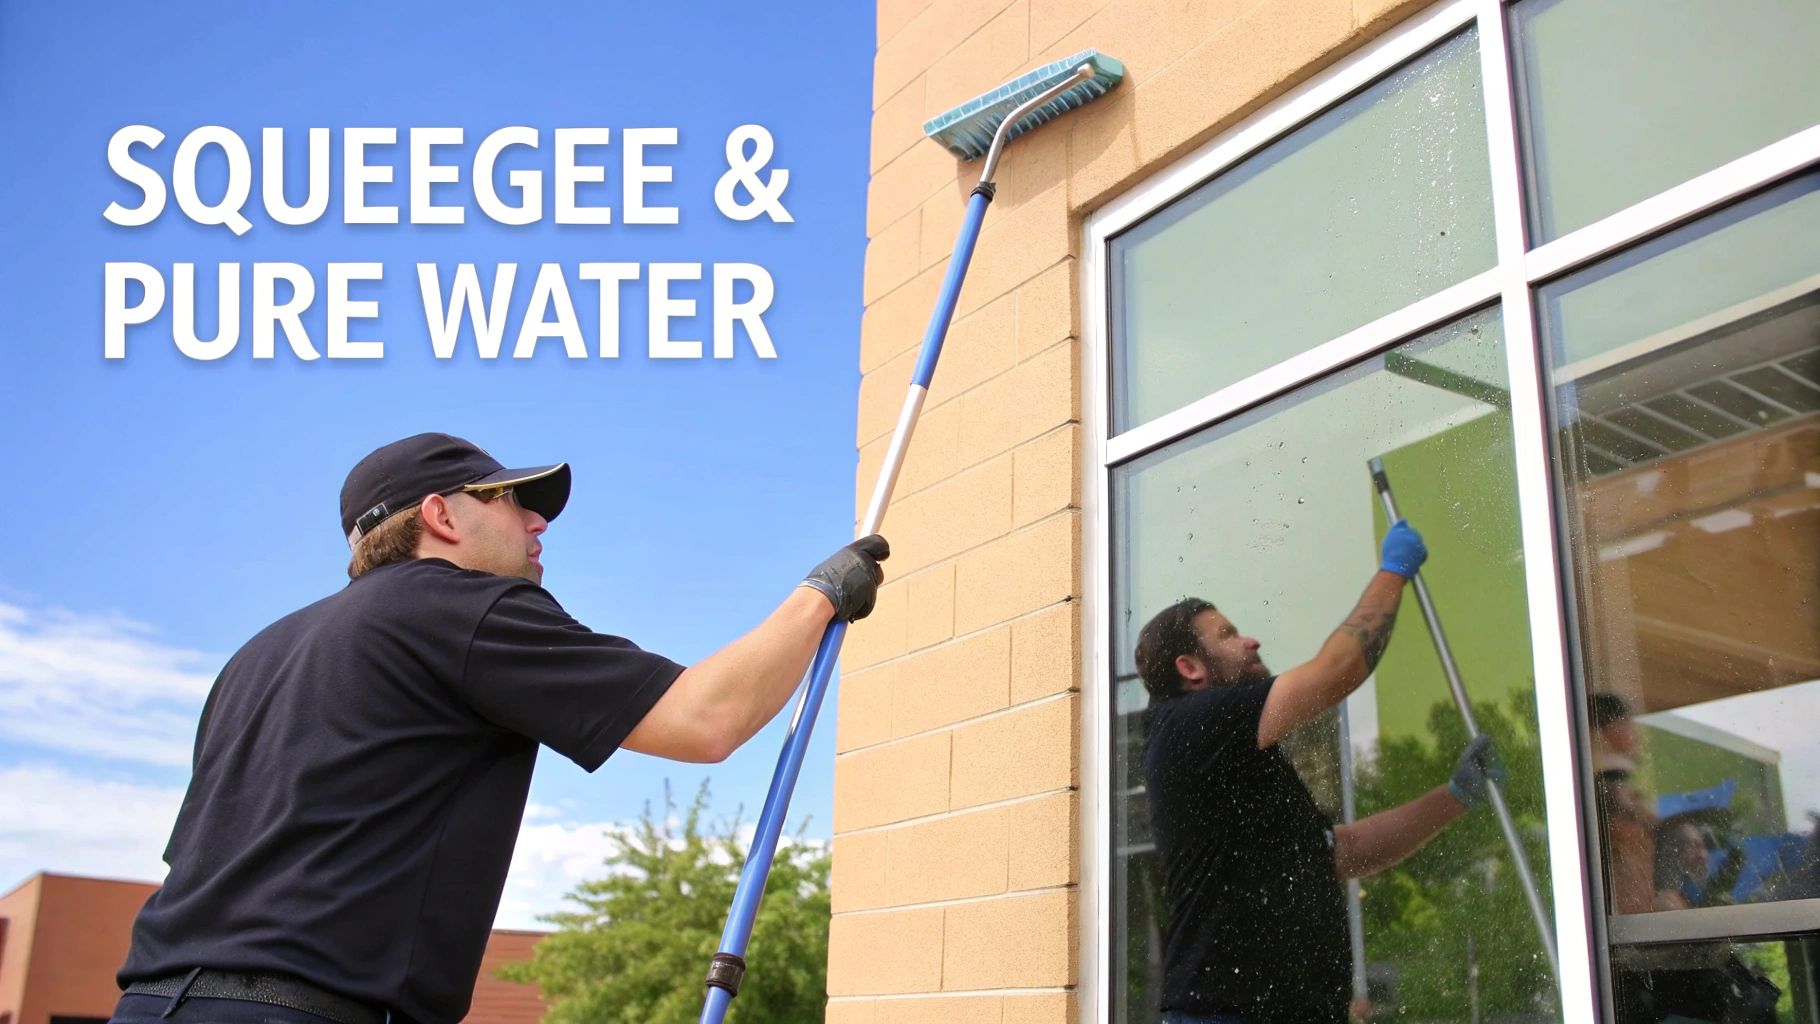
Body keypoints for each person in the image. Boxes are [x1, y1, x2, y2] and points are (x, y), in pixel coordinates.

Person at [109, 433, 890, 1024]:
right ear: (441, 516)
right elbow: (705, 719)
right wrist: (820, 595)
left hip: (151, 1003)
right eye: (511, 501)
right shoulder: (455, 608)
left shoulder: (257, 657)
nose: (536, 521)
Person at [1137, 519, 1505, 1024]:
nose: (1251, 641)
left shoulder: (1232, 758)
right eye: (1227, 635)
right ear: (1191, 668)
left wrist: (1456, 796)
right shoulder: (1191, 725)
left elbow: (1344, 851)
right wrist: (1391, 572)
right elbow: (1338, 671)